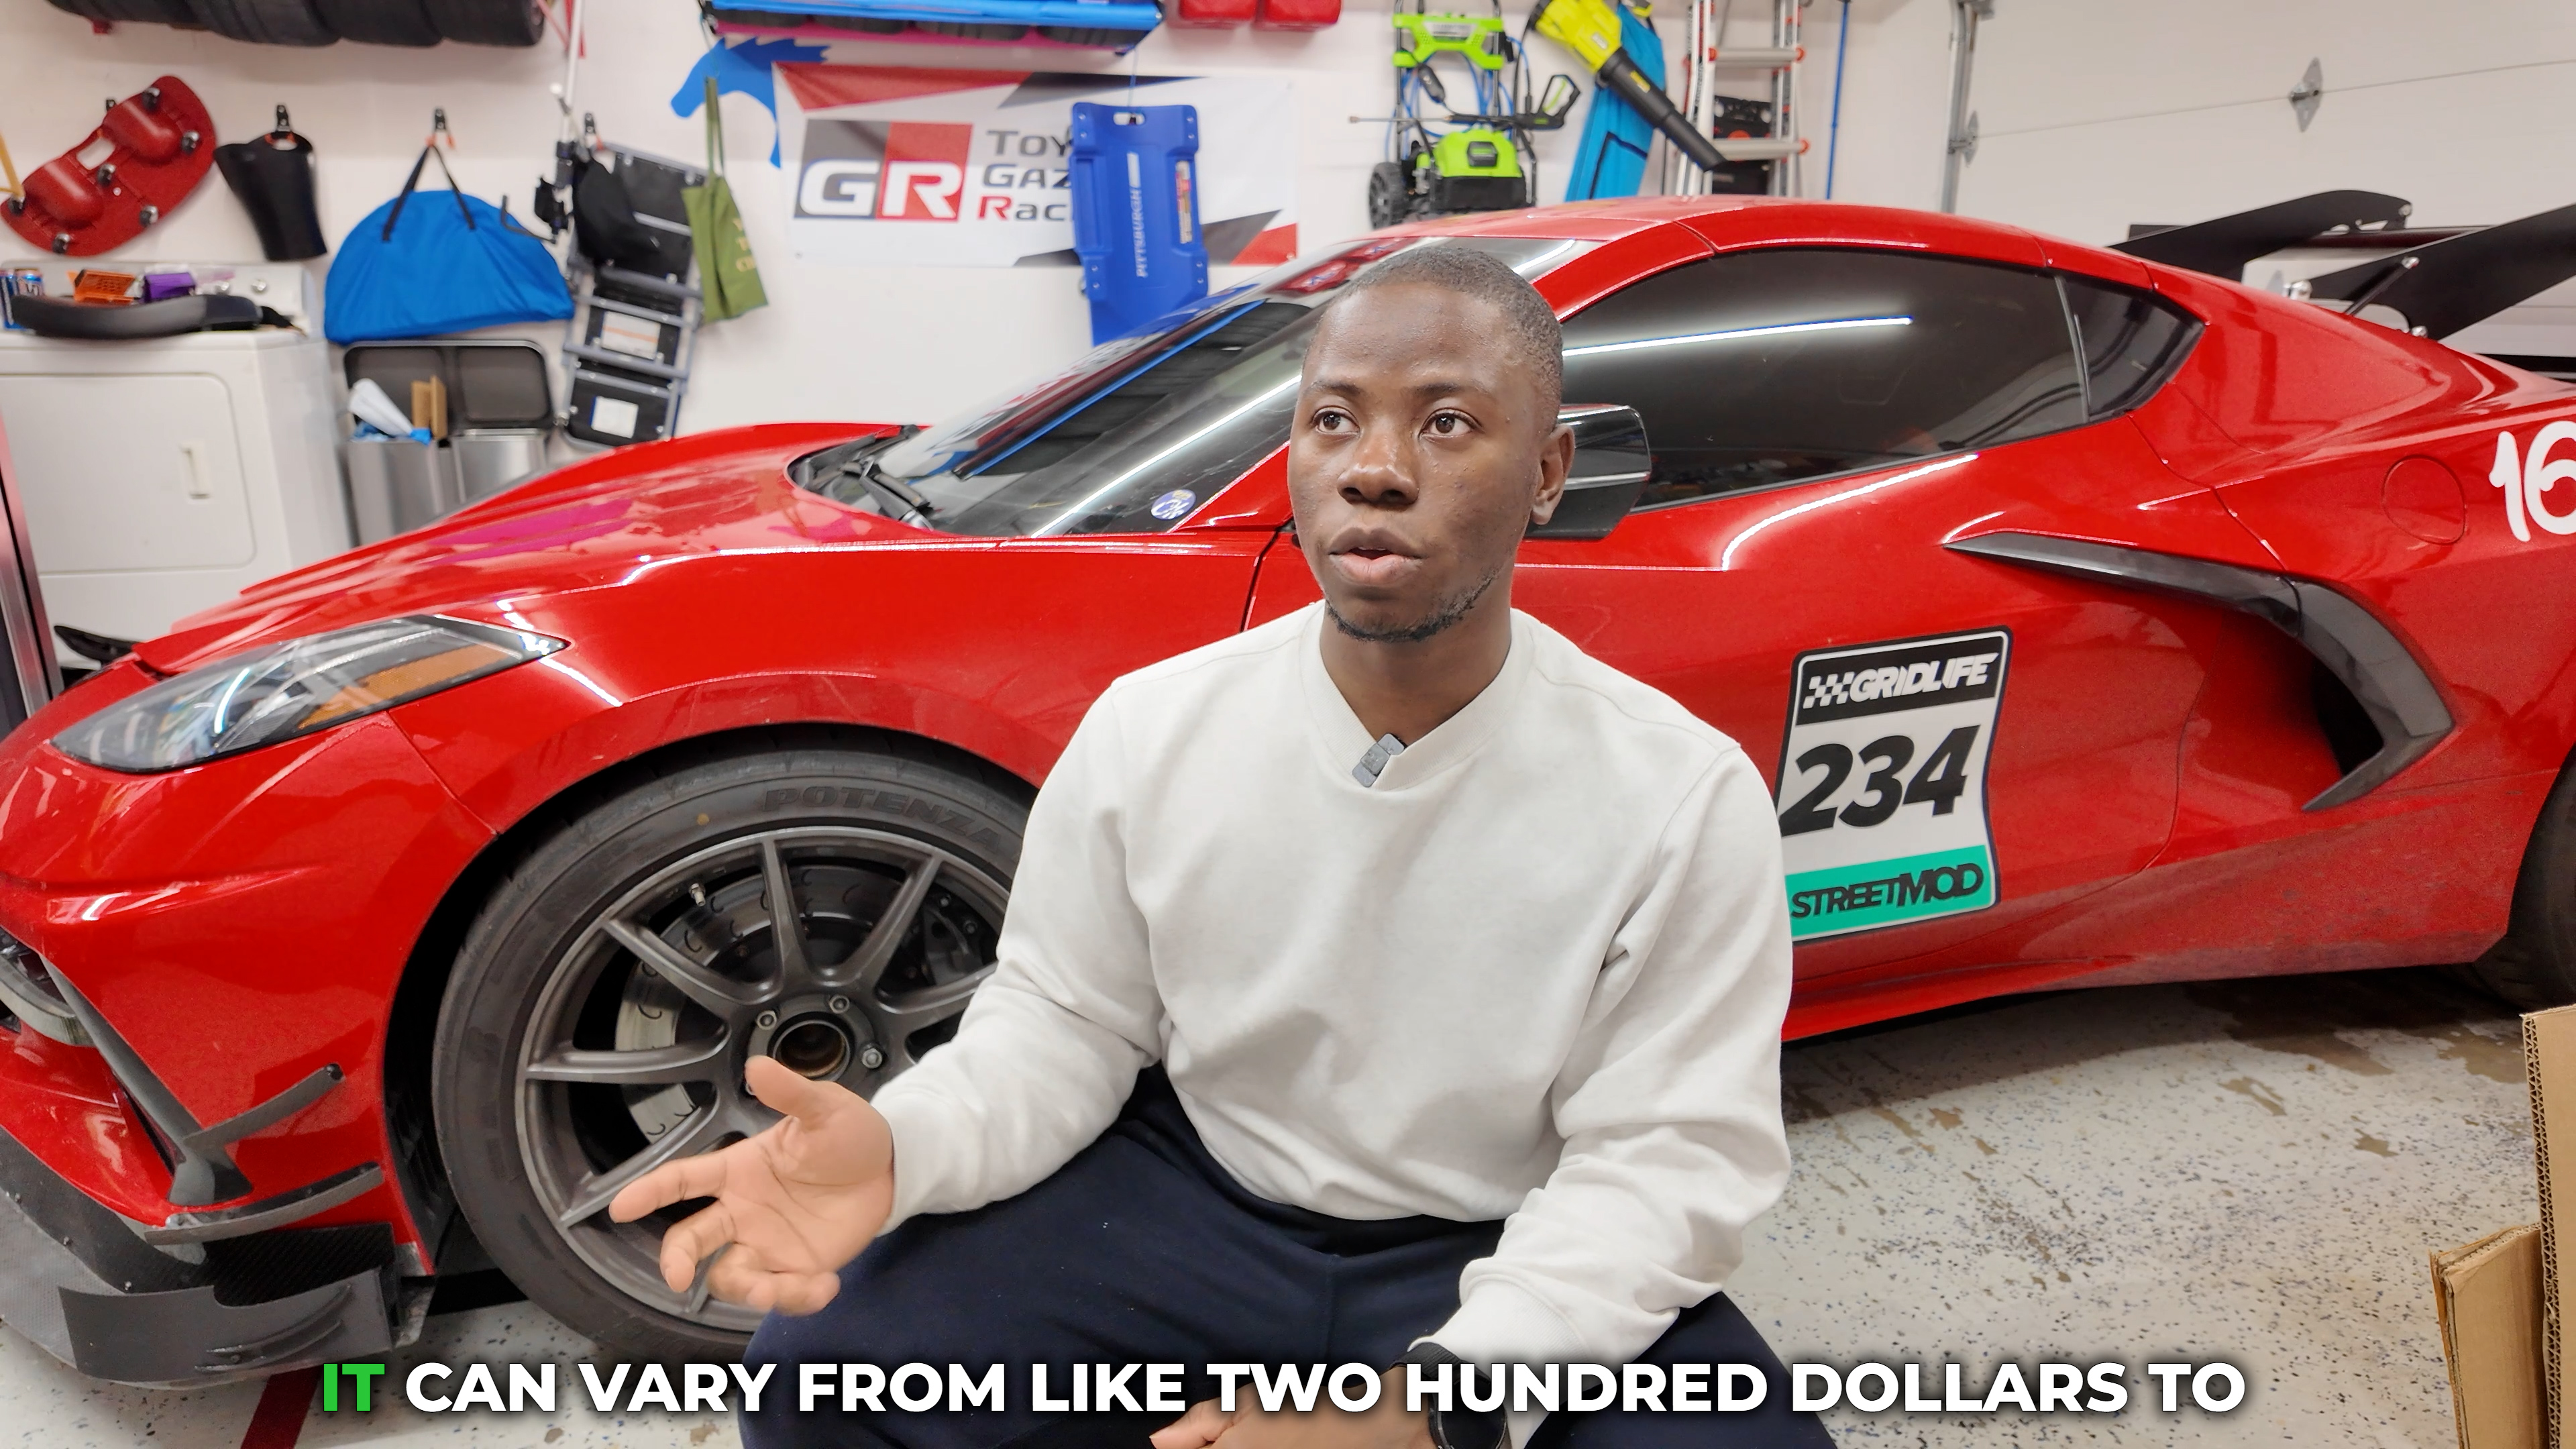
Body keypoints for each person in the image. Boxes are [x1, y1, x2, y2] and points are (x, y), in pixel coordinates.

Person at [610, 244, 1827, 1449]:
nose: (1377, 471)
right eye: (1334, 420)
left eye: (1448, 424)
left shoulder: (1676, 794)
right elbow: (1067, 1024)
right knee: (822, 1378)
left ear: (1548, 472)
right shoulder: (1157, 727)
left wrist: (1441, 1403)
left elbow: (1665, 1162)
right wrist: (901, 1144)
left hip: (1506, 1238)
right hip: (1193, 1200)